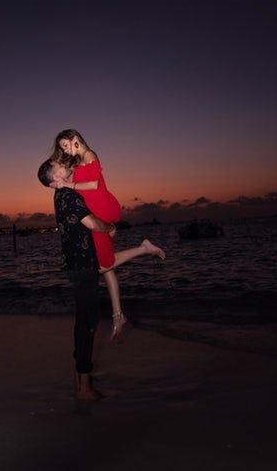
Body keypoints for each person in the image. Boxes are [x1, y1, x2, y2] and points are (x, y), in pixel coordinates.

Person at [38, 157, 166, 400]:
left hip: (78, 263)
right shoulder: (68, 196)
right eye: (59, 166)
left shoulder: (60, 195)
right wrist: (110, 228)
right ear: (55, 178)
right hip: (82, 266)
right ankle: (84, 387)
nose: (64, 165)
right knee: (87, 324)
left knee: (84, 318)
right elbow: (93, 223)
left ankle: (79, 378)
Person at [50, 129, 166, 340]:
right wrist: (56, 179)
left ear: (75, 139)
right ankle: (118, 315)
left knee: (102, 265)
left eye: (65, 145)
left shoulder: (89, 154)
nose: (64, 150)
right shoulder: (75, 162)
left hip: (103, 208)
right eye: (62, 147)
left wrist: (67, 184)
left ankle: (144, 248)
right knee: (106, 266)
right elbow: (62, 172)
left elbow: (94, 184)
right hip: (94, 211)